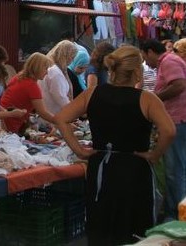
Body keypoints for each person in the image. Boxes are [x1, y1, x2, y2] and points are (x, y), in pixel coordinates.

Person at [54, 45, 175, 245]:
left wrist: (80, 151)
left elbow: (61, 119)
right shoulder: (146, 98)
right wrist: (155, 155)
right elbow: (169, 131)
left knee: (101, 223)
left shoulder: (92, 94)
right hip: (134, 168)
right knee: (133, 225)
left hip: (101, 166)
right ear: (137, 71)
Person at [141, 39, 186, 222]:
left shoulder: (168, 61)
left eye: (145, 56)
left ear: (150, 51)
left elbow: (179, 85)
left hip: (177, 121)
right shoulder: (170, 61)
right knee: (178, 169)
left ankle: (175, 215)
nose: (145, 61)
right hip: (176, 120)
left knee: (174, 170)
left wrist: (155, 98)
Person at [0, 52, 55, 134]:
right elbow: (43, 112)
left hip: (3, 118)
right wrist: (60, 122)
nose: (47, 72)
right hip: (11, 122)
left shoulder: (19, 77)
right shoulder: (31, 85)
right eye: (45, 69)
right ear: (38, 68)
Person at [40, 40, 77, 116]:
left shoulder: (51, 67)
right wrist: (76, 111)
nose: (72, 60)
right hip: (54, 117)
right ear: (65, 56)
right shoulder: (55, 72)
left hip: (50, 115)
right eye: (72, 57)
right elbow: (61, 98)